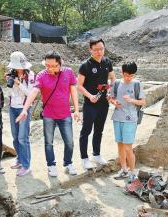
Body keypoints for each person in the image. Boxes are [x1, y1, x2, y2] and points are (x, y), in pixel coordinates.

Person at [16, 51, 80, 177]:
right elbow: (34, 91)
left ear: (60, 64)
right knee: (48, 142)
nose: (49, 68)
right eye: (47, 65)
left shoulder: (68, 72)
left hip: (65, 114)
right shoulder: (41, 75)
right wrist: (25, 109)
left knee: (69, 142)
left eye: (53, 66)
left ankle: (68, 163)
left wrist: (77, 110)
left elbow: (73, 91)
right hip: (49, 115)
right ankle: (51, 165)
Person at [77, 37, 116, 170]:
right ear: (90, 50)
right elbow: (79, 86)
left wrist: (110, 90)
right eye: (96, 49)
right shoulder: (85, 65)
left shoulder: (107, 62)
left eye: (101, 49)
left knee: (99, 130)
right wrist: (90, 96)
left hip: (104, 103)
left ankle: (96, 154)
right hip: (90, 104)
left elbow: (113, 77)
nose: (99, 52)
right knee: (86, 130)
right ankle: (84, 158)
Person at [109, 61, 145, 178]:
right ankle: (124, 169)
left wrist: (131, 100)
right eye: (126, 75)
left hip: (130, 119)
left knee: (128, 147)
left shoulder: (137, 84)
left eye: (131, 75)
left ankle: (132, 172)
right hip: (118, 117)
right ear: (122, 72)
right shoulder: (117, 83)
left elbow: (143, 102)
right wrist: (115, 102)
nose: (128, 77)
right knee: (120, 145)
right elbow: (111, 97)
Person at [6, 52, 34, 176]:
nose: (18, 69)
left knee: (23, 138)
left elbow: (30, 94)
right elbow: (9, 93)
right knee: (16, 137)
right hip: (13, 108)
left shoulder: (30, 75)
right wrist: (10, 82)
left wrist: (19, 84)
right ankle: (19, 159)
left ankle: (26, 165)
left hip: (24, 109)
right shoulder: (12, 74)